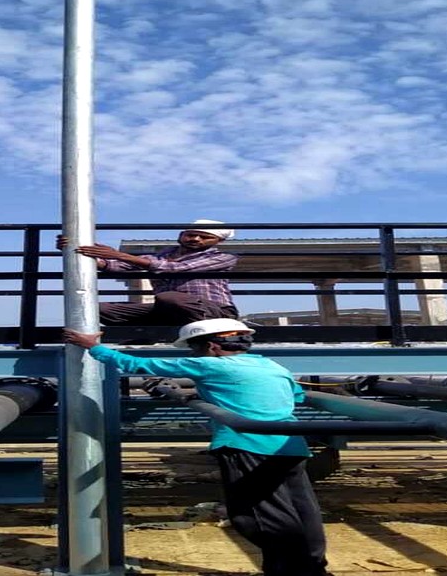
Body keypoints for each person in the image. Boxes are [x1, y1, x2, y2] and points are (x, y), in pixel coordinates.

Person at [63, 318, 329, 576]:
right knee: (301, 509)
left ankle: (295, 570)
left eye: (194, 348)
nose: (194, 354)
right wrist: (213, 392)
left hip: (249, 444)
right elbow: (295, 396)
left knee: (258, 515)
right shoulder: (271, 365)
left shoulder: (210, 365)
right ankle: (313, 566)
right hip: (290, 445)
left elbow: (139, 364)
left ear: (211, 346)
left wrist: (93, 347)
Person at [59, 219, 239, 326]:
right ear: (182, 235)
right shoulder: (163, 255)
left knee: (169, 297)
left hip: (213, 310)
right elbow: (116, 266)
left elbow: (174, 269)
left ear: (218, 241)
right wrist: (73, 249)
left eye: (205, 237)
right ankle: (147, 331)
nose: (196, 239)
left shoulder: (223, 257)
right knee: (97, 309)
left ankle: (210, 326)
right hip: (168, 310)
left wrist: (119, 254)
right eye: (190, 235)